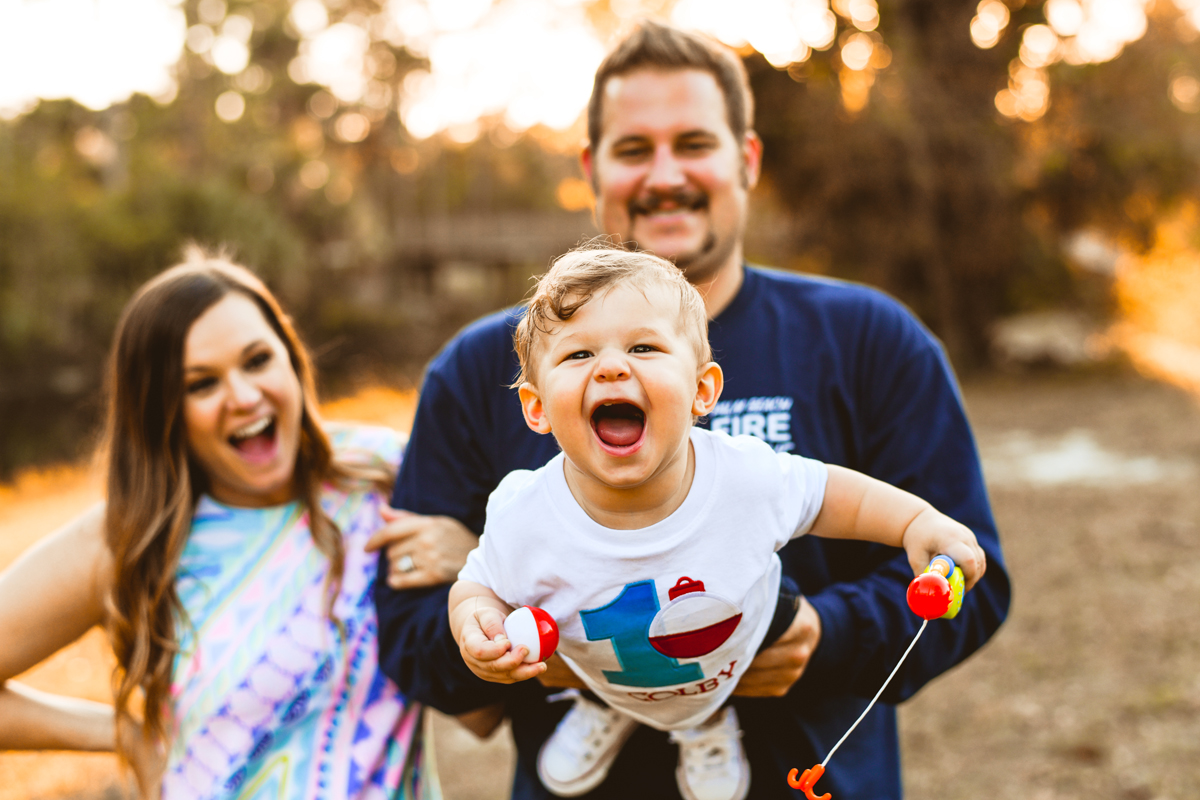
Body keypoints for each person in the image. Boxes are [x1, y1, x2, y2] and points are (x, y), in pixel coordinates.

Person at [375, 20, 1011, 800]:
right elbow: (409, 641)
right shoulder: (481, 369)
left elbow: (970, 573)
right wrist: (490, 610)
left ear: (746, 160)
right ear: (591, 167)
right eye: (635, 149)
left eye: (694, 143)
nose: (665, 175)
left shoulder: (869, 339)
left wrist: (826, 636)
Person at [447, 246, 987, 800]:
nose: (611, 366)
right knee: (576, 632)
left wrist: (915, 522)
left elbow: (832, 496)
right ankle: (603, 709)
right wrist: (476, 627)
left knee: (778, 598)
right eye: (579, 354)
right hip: (606, 664)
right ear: (536, 408)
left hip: (737, 642)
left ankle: (708, 723)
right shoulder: (524, 513)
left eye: (644, 347)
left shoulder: (744, 475)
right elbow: (476, 586)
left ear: (702, 390)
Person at [0, 251, 476, 799]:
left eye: (256, 360)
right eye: (201, 384)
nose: (245, 397)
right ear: (163, 410)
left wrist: (475, 562)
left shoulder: (385, 475)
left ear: (291, 359)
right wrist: (121, 732)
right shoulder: (131, 538)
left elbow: (488, 699)